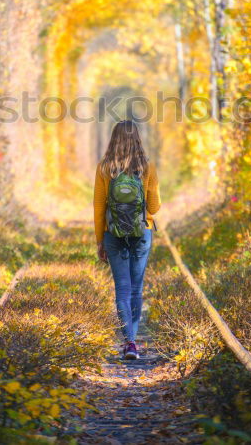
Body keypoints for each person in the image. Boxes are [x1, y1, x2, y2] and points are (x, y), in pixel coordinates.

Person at [94, 119, 161, 360]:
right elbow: (154, 205)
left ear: (113, 140)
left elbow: (99, 207)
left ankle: (129, 342)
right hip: (141, 232)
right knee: (136, 288)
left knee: (121, 289)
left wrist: (100, 239)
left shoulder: (104, 168)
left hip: (113, 234)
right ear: (137, 140)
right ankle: (133, 341)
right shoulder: (147, 167)